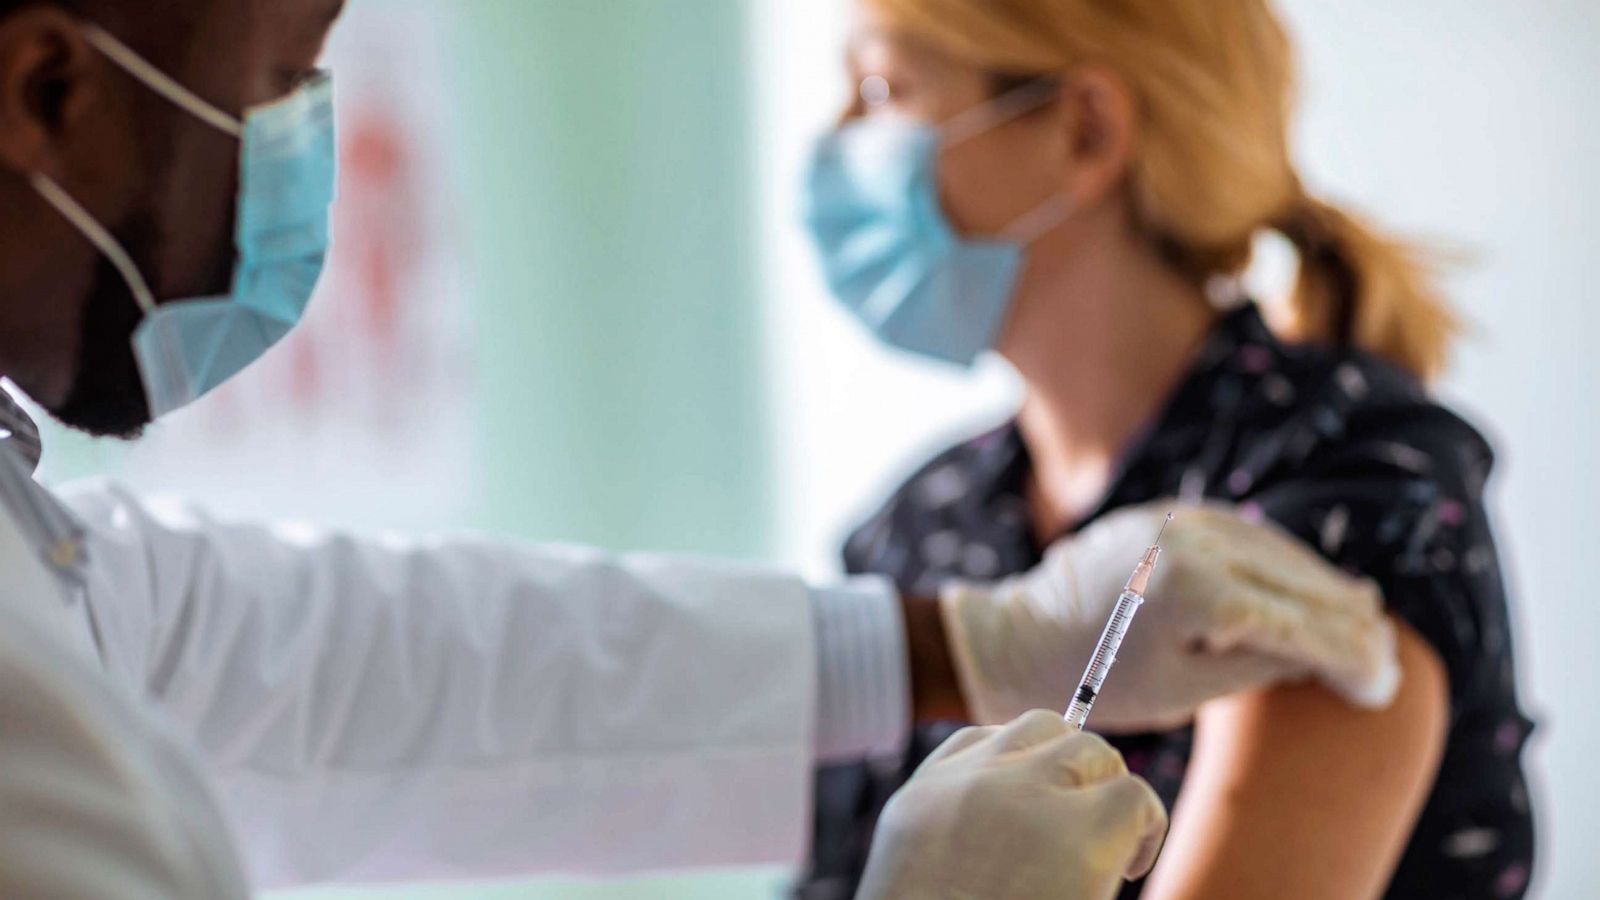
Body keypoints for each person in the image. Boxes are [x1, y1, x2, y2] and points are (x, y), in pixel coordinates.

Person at [0, 0, 1397, 895]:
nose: (293, 139)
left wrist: (958, 648)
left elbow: (305, 661)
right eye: (279, 72)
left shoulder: (1343, 491)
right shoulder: (925, 515)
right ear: (46, 89)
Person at [799, 0, 1535, 898]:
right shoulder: (911, 532)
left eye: (882, 89)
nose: (834, 139)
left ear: (1085, 130)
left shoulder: (1344, 485)